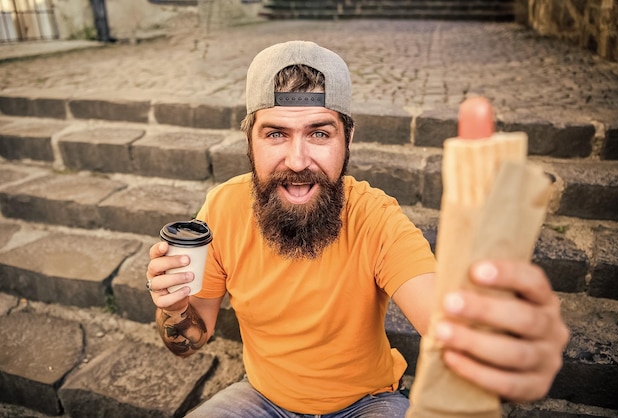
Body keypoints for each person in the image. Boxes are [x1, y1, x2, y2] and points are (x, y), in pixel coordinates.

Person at [145, 40, 569, 417]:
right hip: (260, 399)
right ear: (249, 141)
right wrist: (173, 307)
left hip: (369, 403)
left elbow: (444, 316)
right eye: (275, 133)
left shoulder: (376, 217)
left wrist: (498, 338)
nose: (297, 160)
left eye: (319, 133)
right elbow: (191, 339)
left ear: (348, 138)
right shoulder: (222, 208)